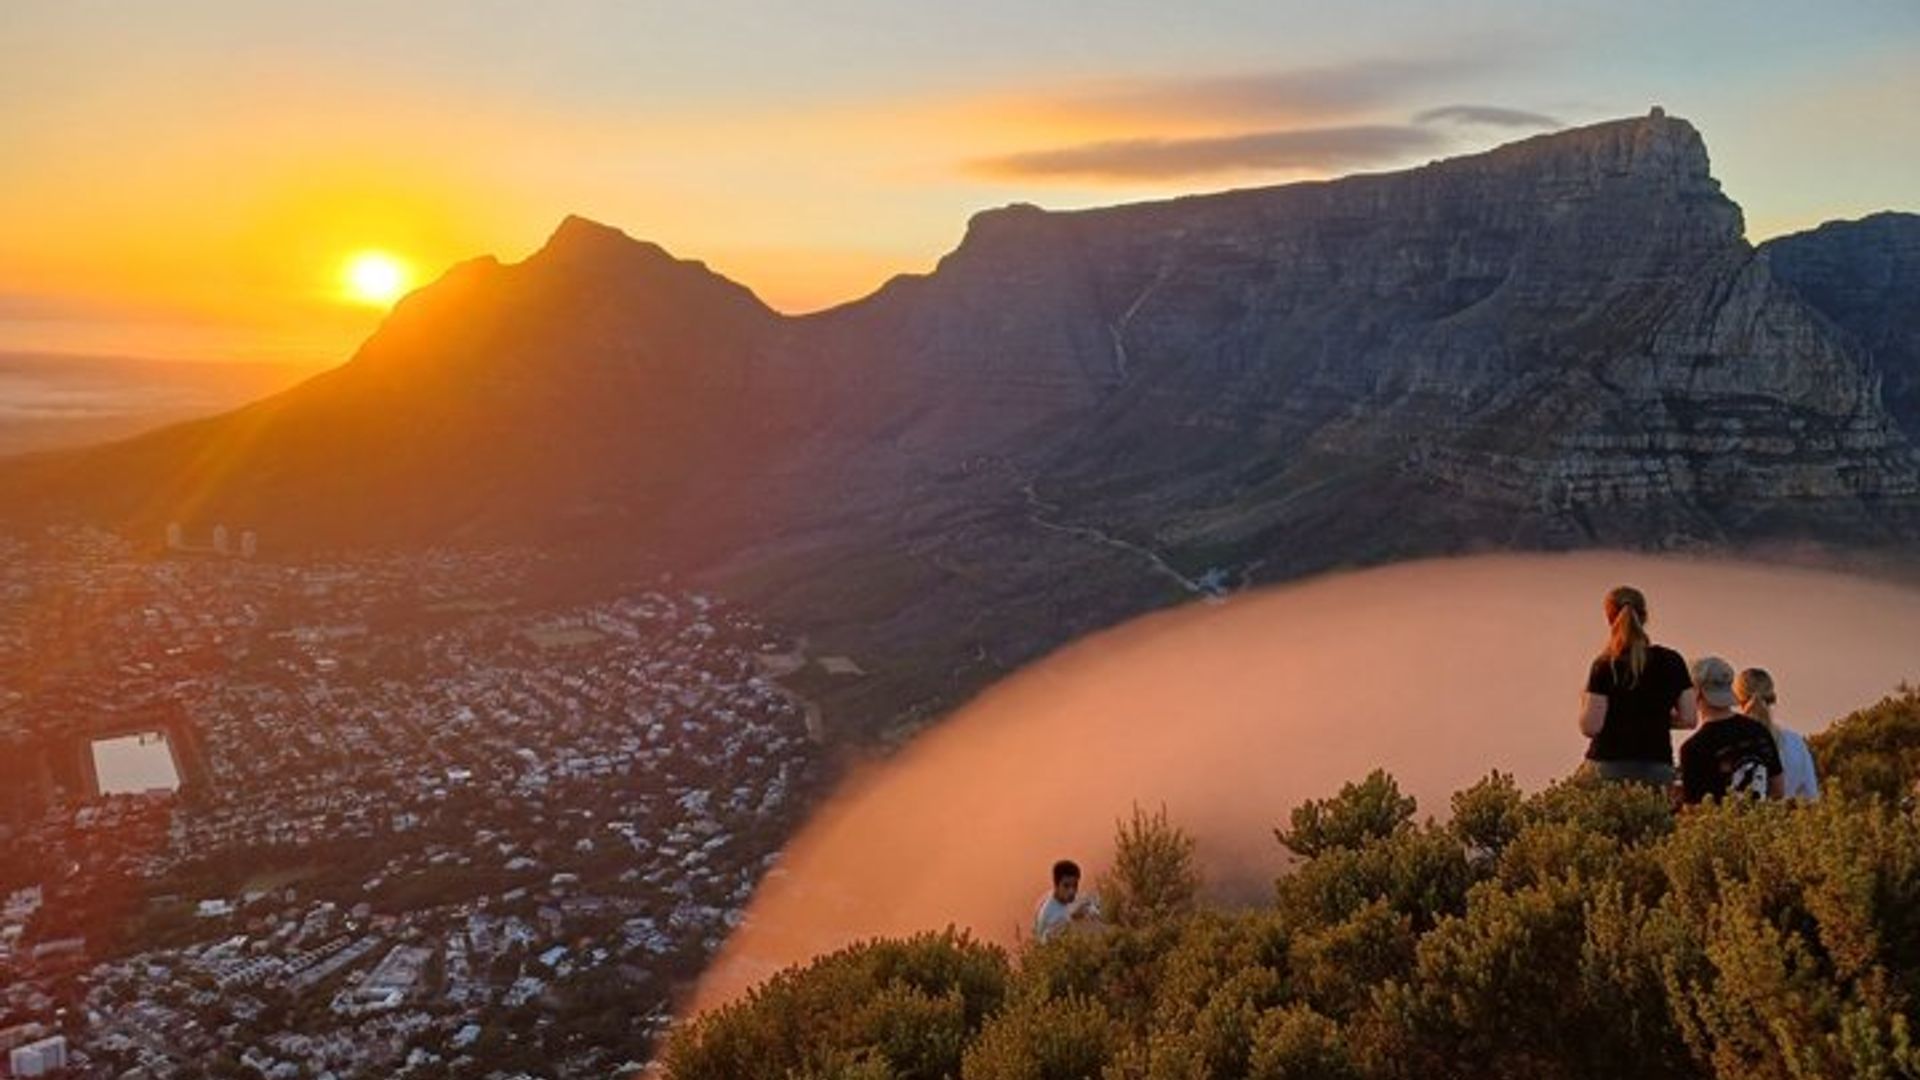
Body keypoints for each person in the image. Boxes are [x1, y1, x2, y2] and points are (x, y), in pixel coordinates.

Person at [1579, 586, 1697, 786]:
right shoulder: (1672, 660)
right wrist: (1653, 718)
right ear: (1645, 617)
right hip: (1657, 766)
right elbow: (1689, 719)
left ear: (1609, 618)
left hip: (1607, 764)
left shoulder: (1605, 665)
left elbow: (1591, 726)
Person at [1679, 656, 1785, 803]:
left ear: (1697, 693)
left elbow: (1693, 810)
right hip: (1760, 823)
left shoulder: (1694, 748)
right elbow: (1778, 790)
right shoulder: (1759, 730)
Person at [1735, 667, 1820, 801]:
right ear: (1772, 697)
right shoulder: (1795, 742)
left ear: (1737, 699)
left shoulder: (1728, 743)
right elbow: (1811, 797)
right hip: (1785, 820)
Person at [1033, 859, 1100, 942]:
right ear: (1056, 885)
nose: (1072, 891)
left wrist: (1075, 914)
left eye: (1075, 885)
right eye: (1066, 886)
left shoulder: (1051, 898)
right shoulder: (1057, 919)